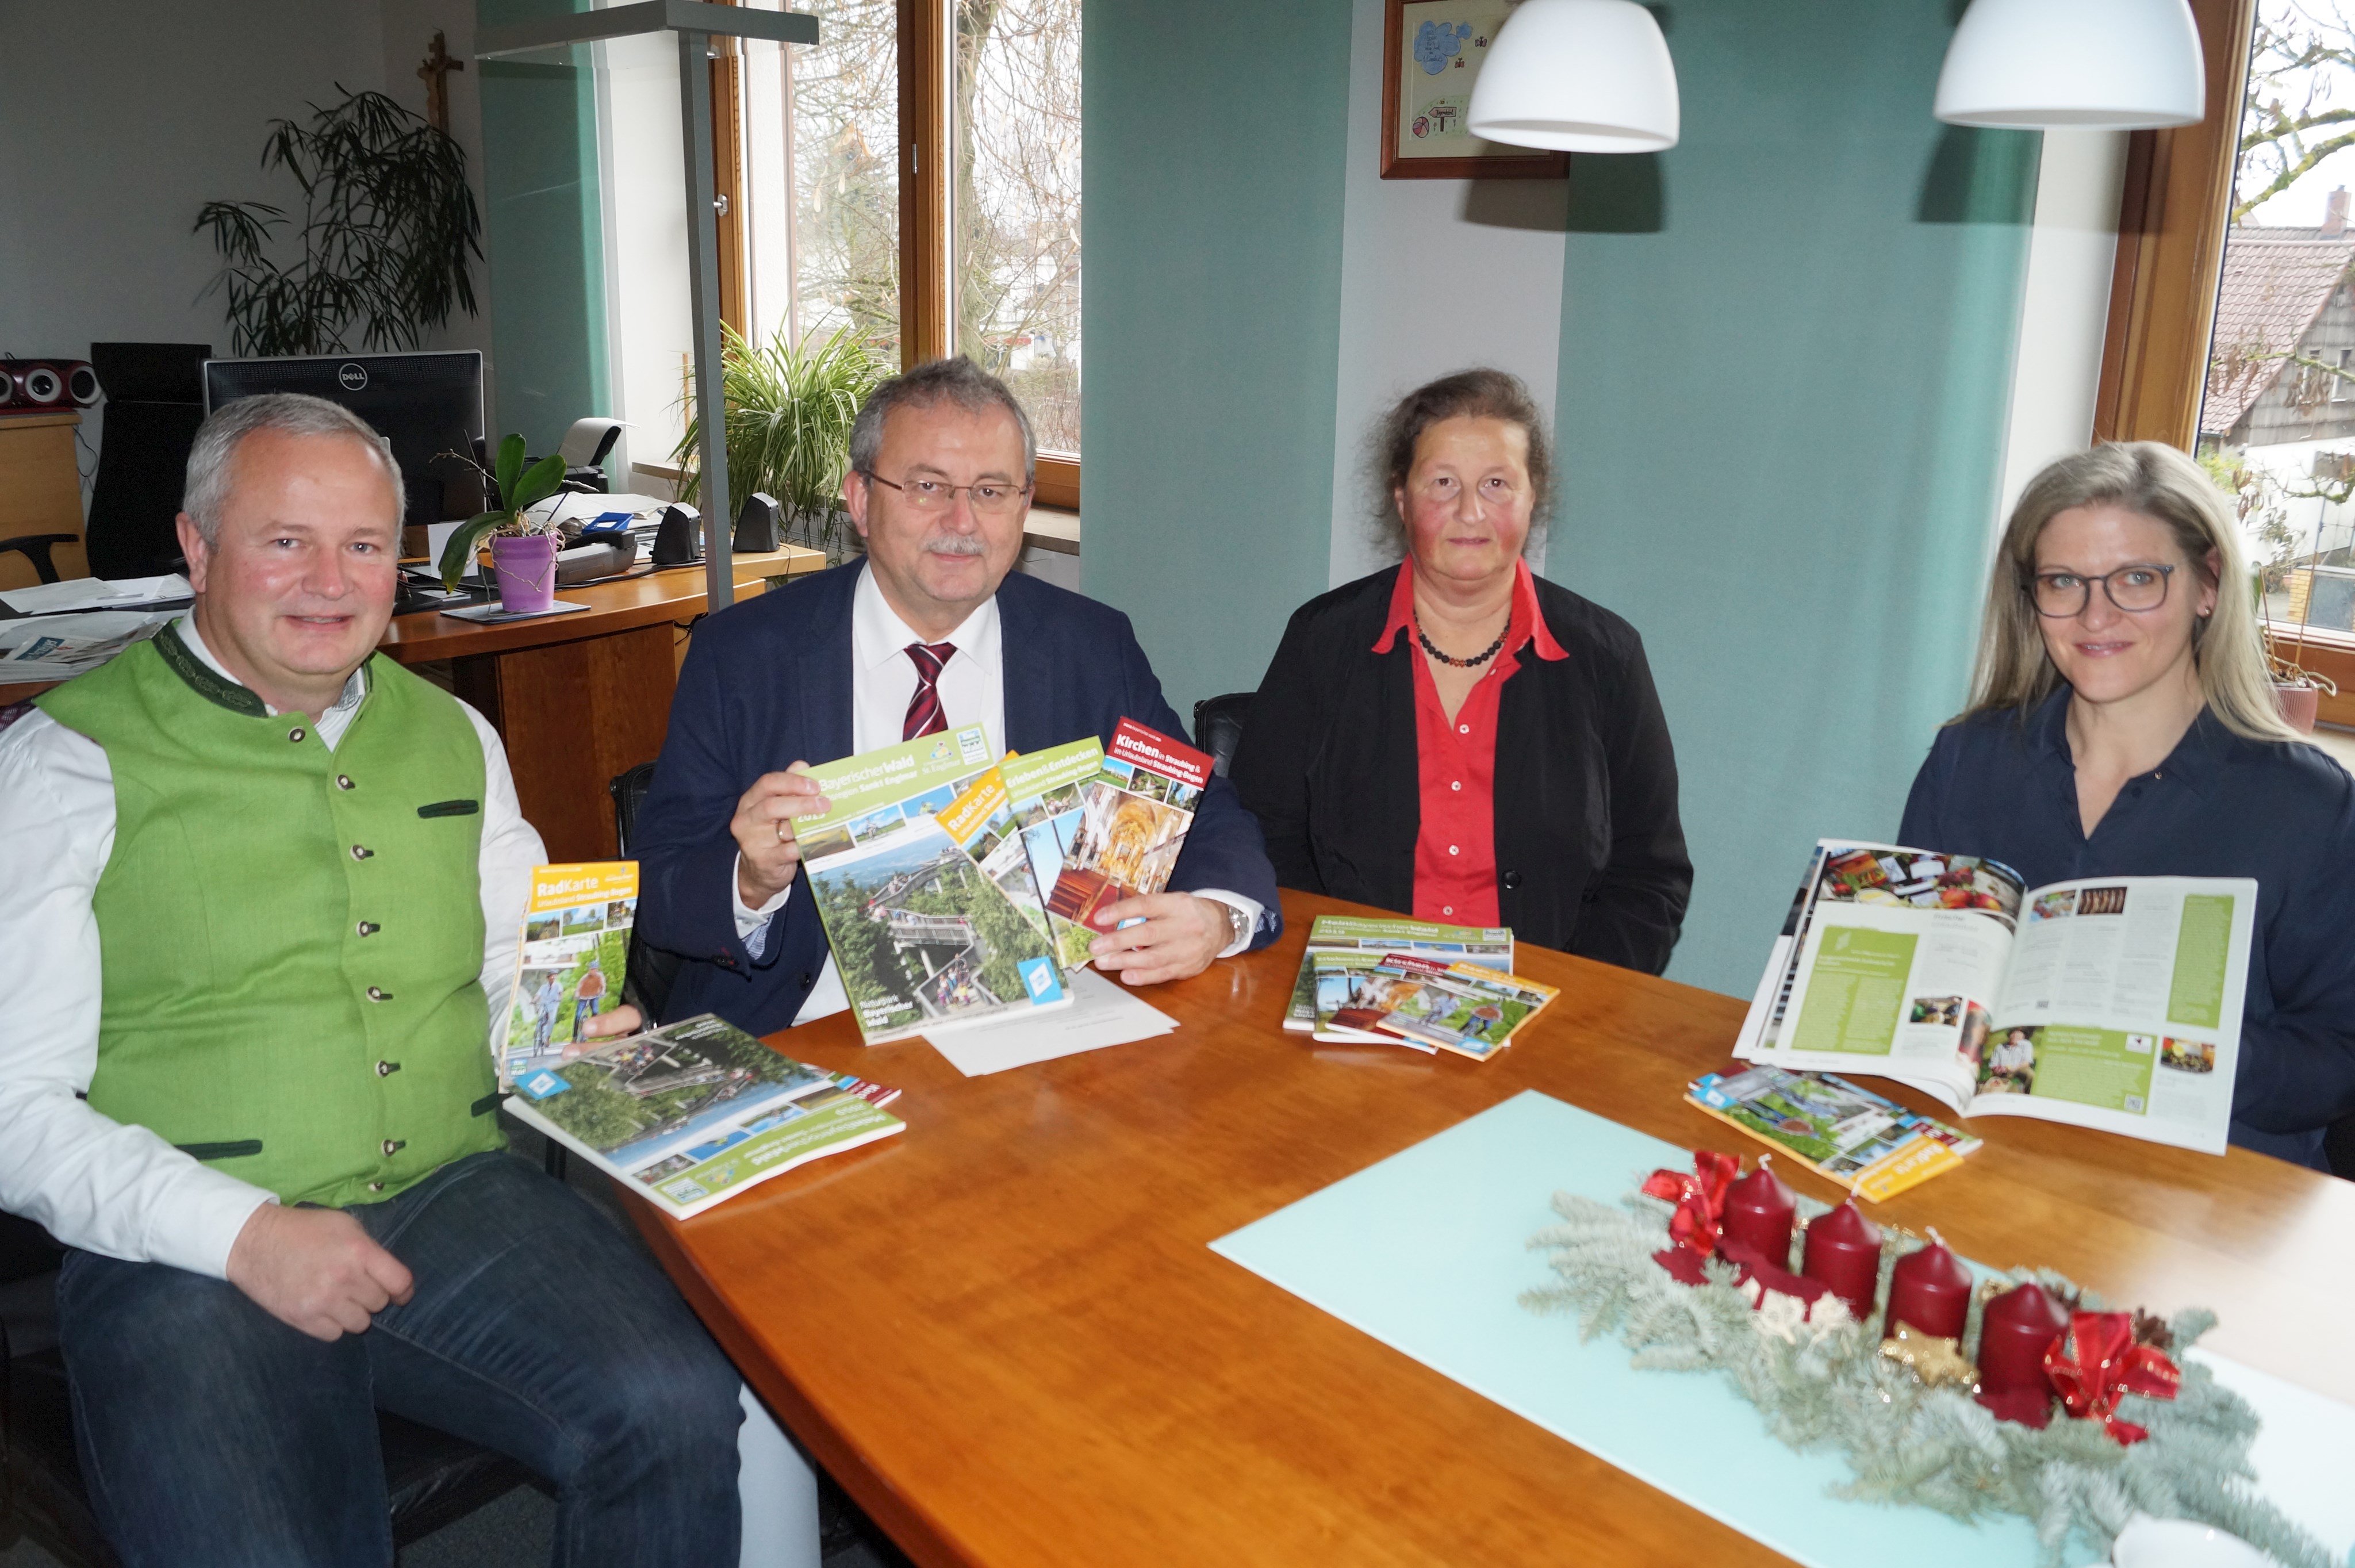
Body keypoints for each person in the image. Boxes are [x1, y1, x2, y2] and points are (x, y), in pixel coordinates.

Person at [0, 394, 816, 1566]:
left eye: (368, 545)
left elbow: (500, 971)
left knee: (675, 1403)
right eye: (286, 539)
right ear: (196, 545)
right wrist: (245, 1235)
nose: (331, 580)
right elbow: (15, 1109)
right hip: (181, 1239)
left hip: (450, 1189)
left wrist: (562, 1036)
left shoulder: (454, 737)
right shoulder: (62, 762)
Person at [634, 356, 1280, 1034]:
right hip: (815, 1029)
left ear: (1024, 507)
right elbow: (659, 885)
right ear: (859, 499)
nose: (962, 520)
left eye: (992, 491)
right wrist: (749, 880)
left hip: (1042, 1021)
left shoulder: (1089, 646)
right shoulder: (742, 656)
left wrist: (1216, 917)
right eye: (926, 486)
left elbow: (1203, 810)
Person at [1899, 442, 2355, 1168]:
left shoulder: (2307, 804)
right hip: (1989, 1167)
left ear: (2207, 584)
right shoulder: (1967, 762)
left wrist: (2172, 1053)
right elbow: (1924, 984)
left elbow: (2338, 1059)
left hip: (2207, 1201)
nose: (2094, 616)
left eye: (2136, 579)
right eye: (2063, 582)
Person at [1228, 368, 1690, 970]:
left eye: (1497, 484)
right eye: (1442, 483)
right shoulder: (1322, 640)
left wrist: (1577, 997)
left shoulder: (1608, 657)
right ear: (1402, 498)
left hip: (1547, 1008)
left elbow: (1649, 875)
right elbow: (1263, 834)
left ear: (1532, 497)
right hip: (1354, 995)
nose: (1470, 511)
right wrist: (1328, 970)